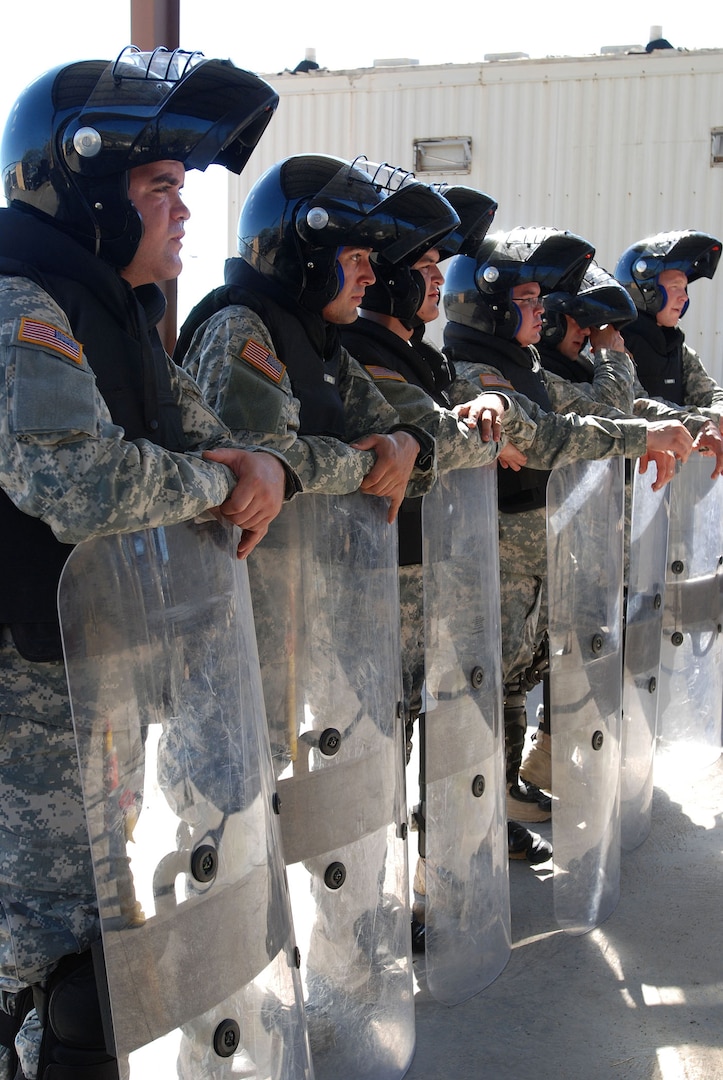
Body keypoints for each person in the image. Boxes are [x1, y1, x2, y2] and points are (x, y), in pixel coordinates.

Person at [0, 48, 297, 1080]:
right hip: (26, 701)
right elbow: (75, 480)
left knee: (92, 952)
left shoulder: (115, 316)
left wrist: (255, 464)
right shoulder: (21, 301)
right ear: (83, 188)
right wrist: (225, 484)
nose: (183, 213)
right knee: (64, 972)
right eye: (162, 188)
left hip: (95, 688)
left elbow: (211, 439)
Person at [441, 227, 695, 827]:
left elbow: (582, 414)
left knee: (515, 675)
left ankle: (498, 802)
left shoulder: (520, 367)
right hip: (498, 557)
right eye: (527, 301)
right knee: (487, 681)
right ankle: (471, 820)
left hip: (538, 558)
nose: (542, 313)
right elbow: (555, 434)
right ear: (494, 306)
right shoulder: (480, 375)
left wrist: (675, 425)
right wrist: (641, 433)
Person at [339, 185, 551, 870]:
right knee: (379, 741)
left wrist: (487, 404)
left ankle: (434, 865)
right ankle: (378, 891)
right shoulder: (361, 352)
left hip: (432, 569)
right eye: (423, 268)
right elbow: (436, 434)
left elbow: (504, 419)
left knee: (441, 722)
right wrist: (480, 430)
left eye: (439, 269)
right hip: (382, 576)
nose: (435, 281)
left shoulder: (421, 356)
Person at [615, 230, 723, 424]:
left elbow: (711, 395)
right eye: (675, 287)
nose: (685, 297)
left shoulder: (677, 348)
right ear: (646, 291)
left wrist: (718, 416)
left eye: (684, 288)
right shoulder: (614, 344)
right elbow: (638, 408)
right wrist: (706, 422)